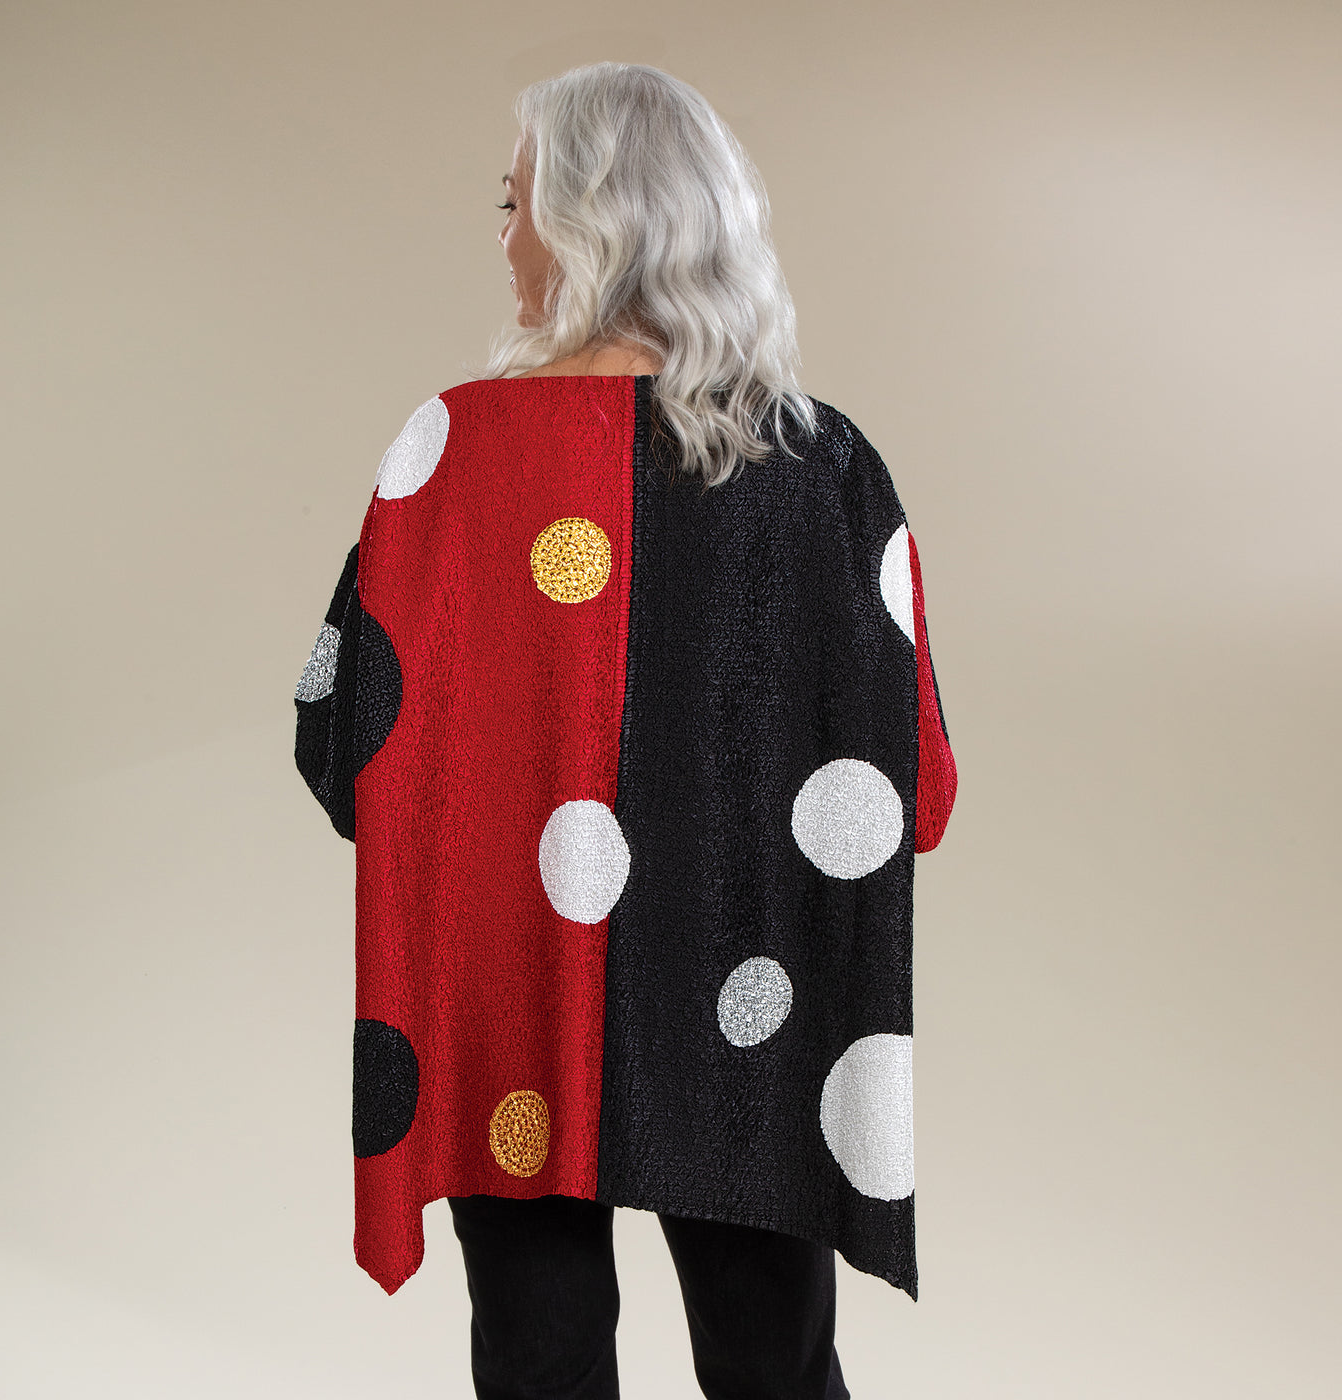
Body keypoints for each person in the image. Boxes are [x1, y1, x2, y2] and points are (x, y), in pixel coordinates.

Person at [294, 62, 957, 1400]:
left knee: (537, 1366)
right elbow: (916, 796)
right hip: (752, 998)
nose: (504, 237)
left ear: (590, 222)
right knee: (776, 1369)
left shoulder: (450, 456)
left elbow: (340, 741)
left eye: (515, 202)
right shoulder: (825, 470)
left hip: (512, 993)